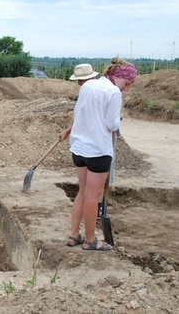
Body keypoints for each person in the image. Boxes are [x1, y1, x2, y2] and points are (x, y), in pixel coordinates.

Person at [62, 58, 137, 251]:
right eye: (127, 83)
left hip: (79, 149)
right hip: (98, 151)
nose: (126, 88)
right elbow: (111, 125)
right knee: (92, 196)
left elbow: (80, 114)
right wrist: (118, 118)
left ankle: (73, 236)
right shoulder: (113, 92)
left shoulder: (88, 86)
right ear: (119, 76)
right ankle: (90, 240)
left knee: (82, 192)